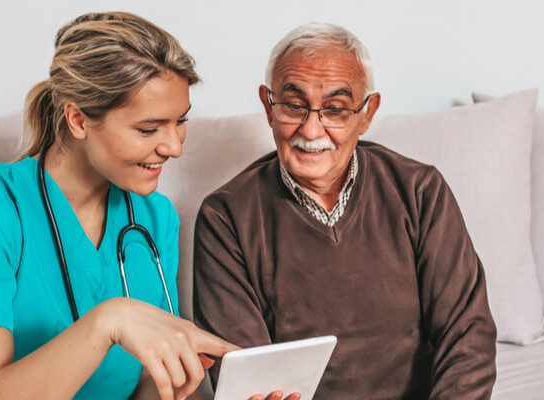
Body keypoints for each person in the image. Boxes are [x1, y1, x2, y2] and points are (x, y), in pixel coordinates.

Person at [0, 12, 235, 400]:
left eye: (180, 122)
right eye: (148, 129)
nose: (174, 147)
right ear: (77, 119)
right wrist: (108, 321)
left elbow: (145, 384)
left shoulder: (156, 217)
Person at [193, 23, 498, 399]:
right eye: (293, 105)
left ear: (367, 114)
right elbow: (248, 378)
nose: (311, 129)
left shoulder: (420, 191)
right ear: (268, 107)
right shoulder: (225, 217)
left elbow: (468, 337)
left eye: (335, 110)